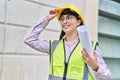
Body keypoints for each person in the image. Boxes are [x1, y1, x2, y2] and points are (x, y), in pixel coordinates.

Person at [24, 4, 111, 80]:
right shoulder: (53, 46)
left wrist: (95, 66)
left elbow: (106, 77)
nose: (65, 21)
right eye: (62, 19)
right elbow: (29, 39)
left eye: (69, 18)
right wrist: (46, 19)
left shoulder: (90, 47)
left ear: (78, 22)